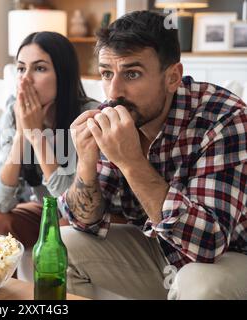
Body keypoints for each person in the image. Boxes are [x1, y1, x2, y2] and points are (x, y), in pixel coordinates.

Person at [60, 10, 247, 300]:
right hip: (163, 251)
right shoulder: (122, 117)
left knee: (199, 284)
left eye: (132, 74)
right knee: (62, 245)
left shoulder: (225, 119)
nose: (114, 90)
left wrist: (131, 161)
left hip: (231, 257)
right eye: (107, 73)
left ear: (172, 77)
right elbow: (85, 222)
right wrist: (85, 163)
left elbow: (209, 243)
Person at [0, 32, 100, 250]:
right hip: (47, 209)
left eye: (39, 68)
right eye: (21, 68)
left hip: (85, 216)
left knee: (63, 230)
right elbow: (1, 202)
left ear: (63, 75)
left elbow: (72, 207)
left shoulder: (90, 116)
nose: (25, 79)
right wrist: (21, 134)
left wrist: (36, 135)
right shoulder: (14, 110)